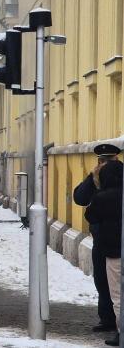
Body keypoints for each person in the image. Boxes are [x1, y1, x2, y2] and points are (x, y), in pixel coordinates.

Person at [74, 144, 121, 336]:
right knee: (102, 280)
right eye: (102, 161)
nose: (104, 164)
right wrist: (91, 179)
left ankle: (118, 322)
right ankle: (107, 318)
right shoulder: (95, 179)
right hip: (100, 238)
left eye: (108, 160)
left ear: (116, 160)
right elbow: (80, 198)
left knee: (116, 284)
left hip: (116, 238)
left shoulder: (119, 175)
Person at [84, 159, 124, 346]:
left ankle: (121, 332)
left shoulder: (103, 197)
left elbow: (90, 214)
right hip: (114, 249)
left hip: (113, 252)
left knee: (117, 295)